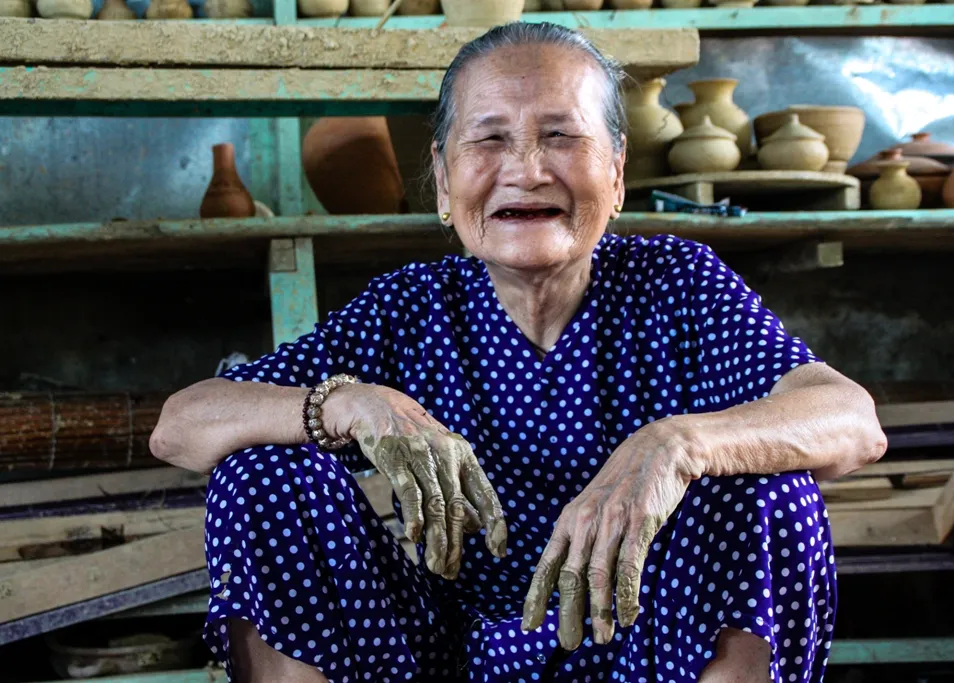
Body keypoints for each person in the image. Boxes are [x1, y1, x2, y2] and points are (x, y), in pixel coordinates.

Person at [150, 22, 887, 683]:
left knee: (770, 489)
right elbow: (182, 425)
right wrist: (347, 401)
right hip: (442, 653)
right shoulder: (413, 306)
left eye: (562, 137)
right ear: (443, 181)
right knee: (259, 472)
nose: (527, 169)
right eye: (490, 138)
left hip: (638, 646)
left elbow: (851, 420)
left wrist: (678, 443)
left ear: (618, 171)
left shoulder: (676, 286)